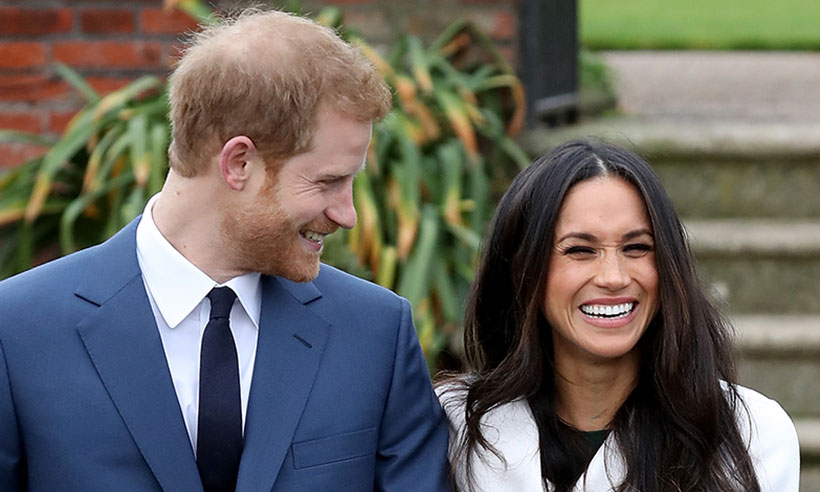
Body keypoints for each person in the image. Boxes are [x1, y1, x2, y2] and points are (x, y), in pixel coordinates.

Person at [0, 9, 450, 492]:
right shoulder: (18, 329)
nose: (348, 214)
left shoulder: (376, 334)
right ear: (239, 162)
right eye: (329, 181)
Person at [437, 140, 800, 491]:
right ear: (522, 270)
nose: (614, 277)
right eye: (580, 250)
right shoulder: (456, 429)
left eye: (637, 248)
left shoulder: (751, 434)